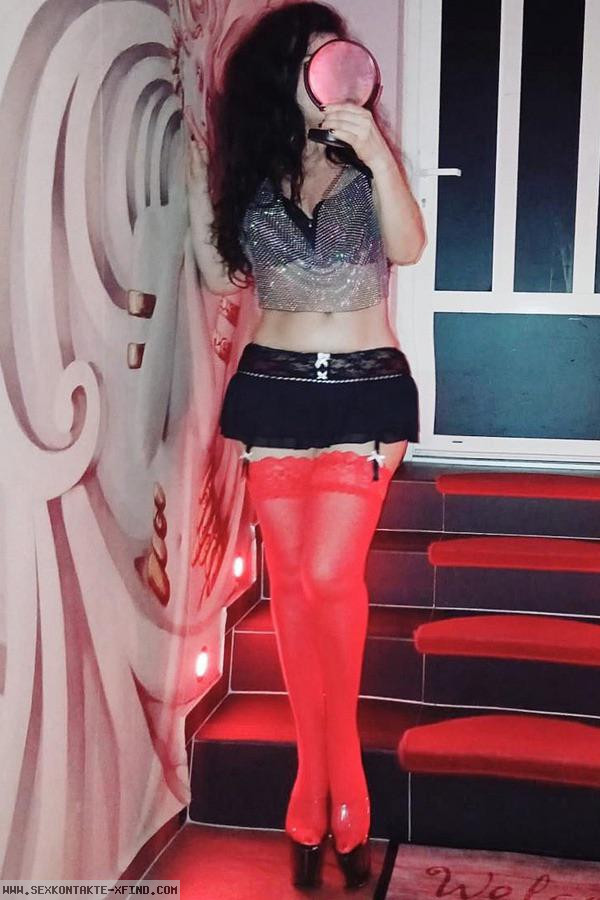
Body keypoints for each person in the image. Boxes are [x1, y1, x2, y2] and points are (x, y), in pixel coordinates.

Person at [186, 1, 425, 890]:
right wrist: (196, 180)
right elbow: (221, 274)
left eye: (341, 56)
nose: (333, 71)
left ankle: (337, 776)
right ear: (281, 75)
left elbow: (410, 246)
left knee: (329, 576)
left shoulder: (368, 161)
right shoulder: (250, 168)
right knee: (292, 587)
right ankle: (315, 787)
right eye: (314, 58)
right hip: (274, 389)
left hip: (365, 387)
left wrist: (378, 153)